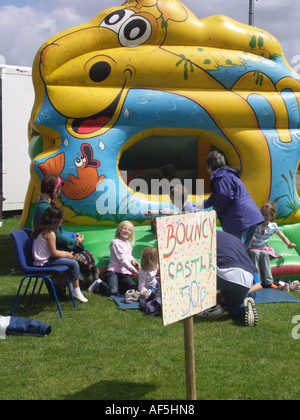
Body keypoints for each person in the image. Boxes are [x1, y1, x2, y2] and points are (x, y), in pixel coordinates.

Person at [33, 174, 101, 284]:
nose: (60, 191)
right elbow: (57, 237)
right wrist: (76, 241)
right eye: (59, 188)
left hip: (52, 246)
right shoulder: (45, 208)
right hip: (51, 250)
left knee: (85, 255)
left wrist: (73, 235)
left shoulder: (44, 204)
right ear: (54, 189)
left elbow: (56, 232)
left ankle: (84, 282)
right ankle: (59, 281)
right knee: (84, 257)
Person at [197, 230, 261, 326]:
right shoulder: (234, 239)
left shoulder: (203, 236)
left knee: (198, 267)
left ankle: (210, 307)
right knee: (234, 308)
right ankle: (242, 311)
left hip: (226, 272)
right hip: (246, 278)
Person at [203, 151, 264, 246]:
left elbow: (225, 196)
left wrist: (215, 209)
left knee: (236, 250)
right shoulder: (228, 175)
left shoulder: (220, 177)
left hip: (239, 220)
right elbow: (214, 197)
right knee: (243, 251)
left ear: (210, 167)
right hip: (251, 216)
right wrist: (199, 206)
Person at [32, 206, 88, 303]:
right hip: (45, 261)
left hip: (41, 260)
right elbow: (54, 253)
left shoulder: (42, 230)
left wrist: (66, 253)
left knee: (71, 261)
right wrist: (67, 255)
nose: (61, 223)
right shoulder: (50, 234)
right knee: (74, 263)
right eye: (60, 221)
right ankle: (76, 289)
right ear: (55, 220)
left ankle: (68, 284)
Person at [249, 202, 296, 288]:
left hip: (263, 248)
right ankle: (257, 281)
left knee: (264, 253)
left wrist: (289, 244)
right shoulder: (255, 224)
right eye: (262, 214)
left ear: (272, 216)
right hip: (252, 247)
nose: (263, 217)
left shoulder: (273, 226)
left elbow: (282, 237)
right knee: (255, 252)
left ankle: (268, 282)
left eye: (266, 215)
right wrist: (250, 236)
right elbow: (246, 233)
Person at [105, 221, 140, 296]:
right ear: (119, 230)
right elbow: (122, 260)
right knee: (113, 291)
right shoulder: (115, 243)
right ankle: (99, 284)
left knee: (134, 289)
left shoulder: (128, 243)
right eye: (125, 229)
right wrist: (133, 270)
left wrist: (133, 260)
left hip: (123, 273)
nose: (127, 231)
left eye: (130, 230)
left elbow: (128, 255)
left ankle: (119, 285)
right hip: (113, 272)